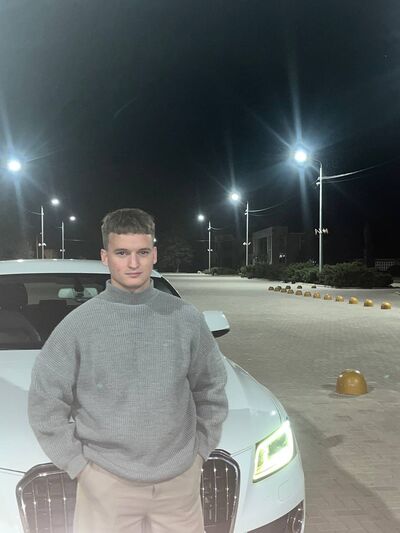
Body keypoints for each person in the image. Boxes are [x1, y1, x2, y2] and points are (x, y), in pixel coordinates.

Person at [28, 208, 228, 533]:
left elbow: (211, 389)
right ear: (105, 257)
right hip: (106, 485)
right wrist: (81, 468)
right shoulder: (78, 326)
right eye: (122, 253)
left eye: (142, 252)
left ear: (154, 255)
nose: (133, 263)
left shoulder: (186, 318)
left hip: (178, 484)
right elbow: (44, 404)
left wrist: (199, 455)